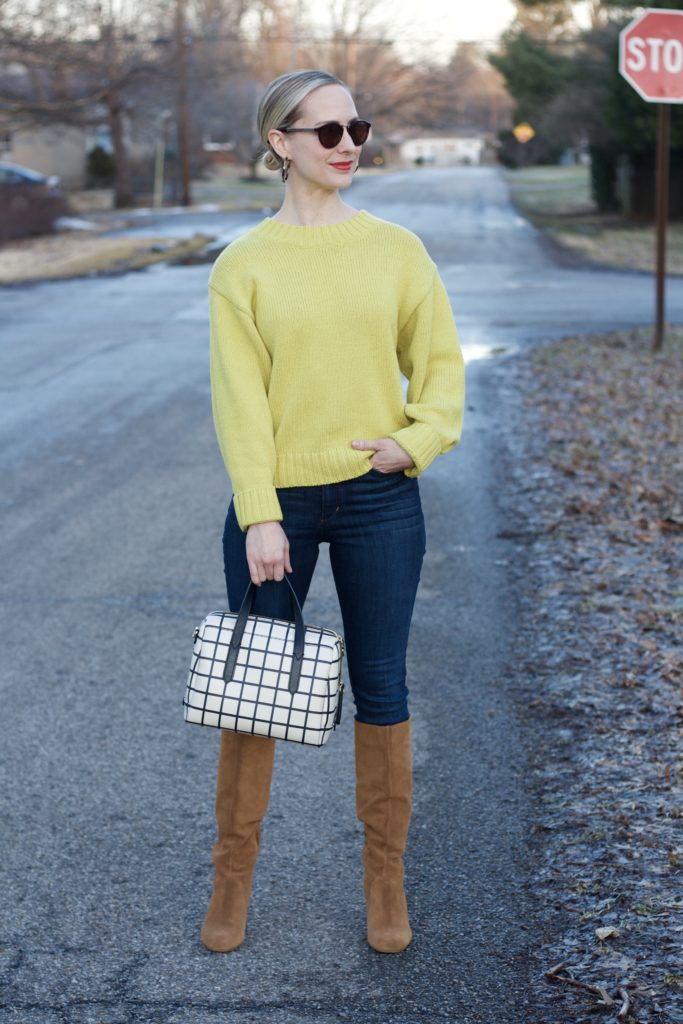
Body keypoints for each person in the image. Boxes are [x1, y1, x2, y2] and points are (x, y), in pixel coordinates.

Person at [202, 68, 465, 956]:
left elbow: (438, 367)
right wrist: (258, 514)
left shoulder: (396, 250)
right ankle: (230, 882)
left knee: (383, 688)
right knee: (257, 690)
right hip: (276, 505)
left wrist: (418, 439)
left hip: (378, 501)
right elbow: (239, 403)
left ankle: (384, 885)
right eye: (325, 131)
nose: (348, 142)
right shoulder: (243, 264)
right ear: (279, 143)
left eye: (356, 126)